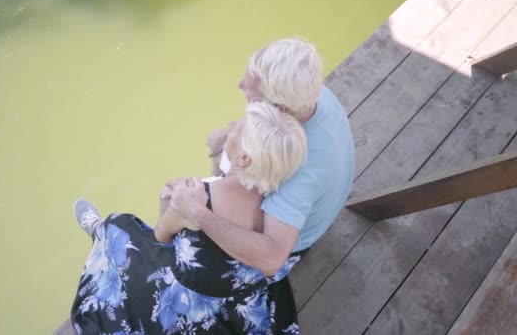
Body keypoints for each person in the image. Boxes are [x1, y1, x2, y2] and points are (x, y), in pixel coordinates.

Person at [70, 102, 307, 334]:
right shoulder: (281, 207)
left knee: (118, 225)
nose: (231, 129)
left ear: (244, 158)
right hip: (242, 304)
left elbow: (160, 236)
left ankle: (98, 231)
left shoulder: (198, 195)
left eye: (237, 128)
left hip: (189, 309)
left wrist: (172, 198)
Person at [170, 38, 355, 328]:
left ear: (279, 109)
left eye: (252, 96)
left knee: (179, 209)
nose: (239, 86)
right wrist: (232, 132)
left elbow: (272, 258)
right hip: (318, 207)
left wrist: (199, 214)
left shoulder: (299, 172)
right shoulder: (312, 96)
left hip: (288, 245)